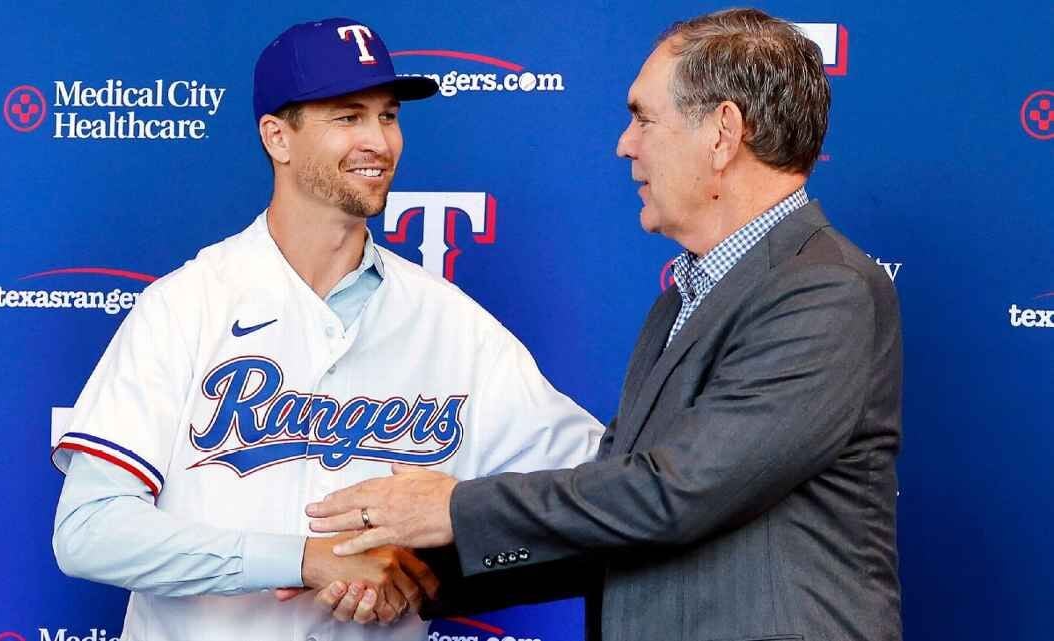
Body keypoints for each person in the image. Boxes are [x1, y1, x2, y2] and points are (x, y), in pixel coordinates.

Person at [306, 9, 903, 641]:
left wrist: (452, 508)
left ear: (723, 133)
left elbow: (678, 495)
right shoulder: (683, 299)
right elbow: (615, 522)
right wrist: (422, 577)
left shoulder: (822, 290)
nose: (626, 143)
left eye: (644, 117)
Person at [50, 17, 602, 641]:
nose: (379, 142)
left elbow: (596, 496)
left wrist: (433, 563)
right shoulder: (185, 306)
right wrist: (302, 561)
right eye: (348, 117)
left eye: (388, 116)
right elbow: (90, 530)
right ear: (277, 138)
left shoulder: (455, 325)